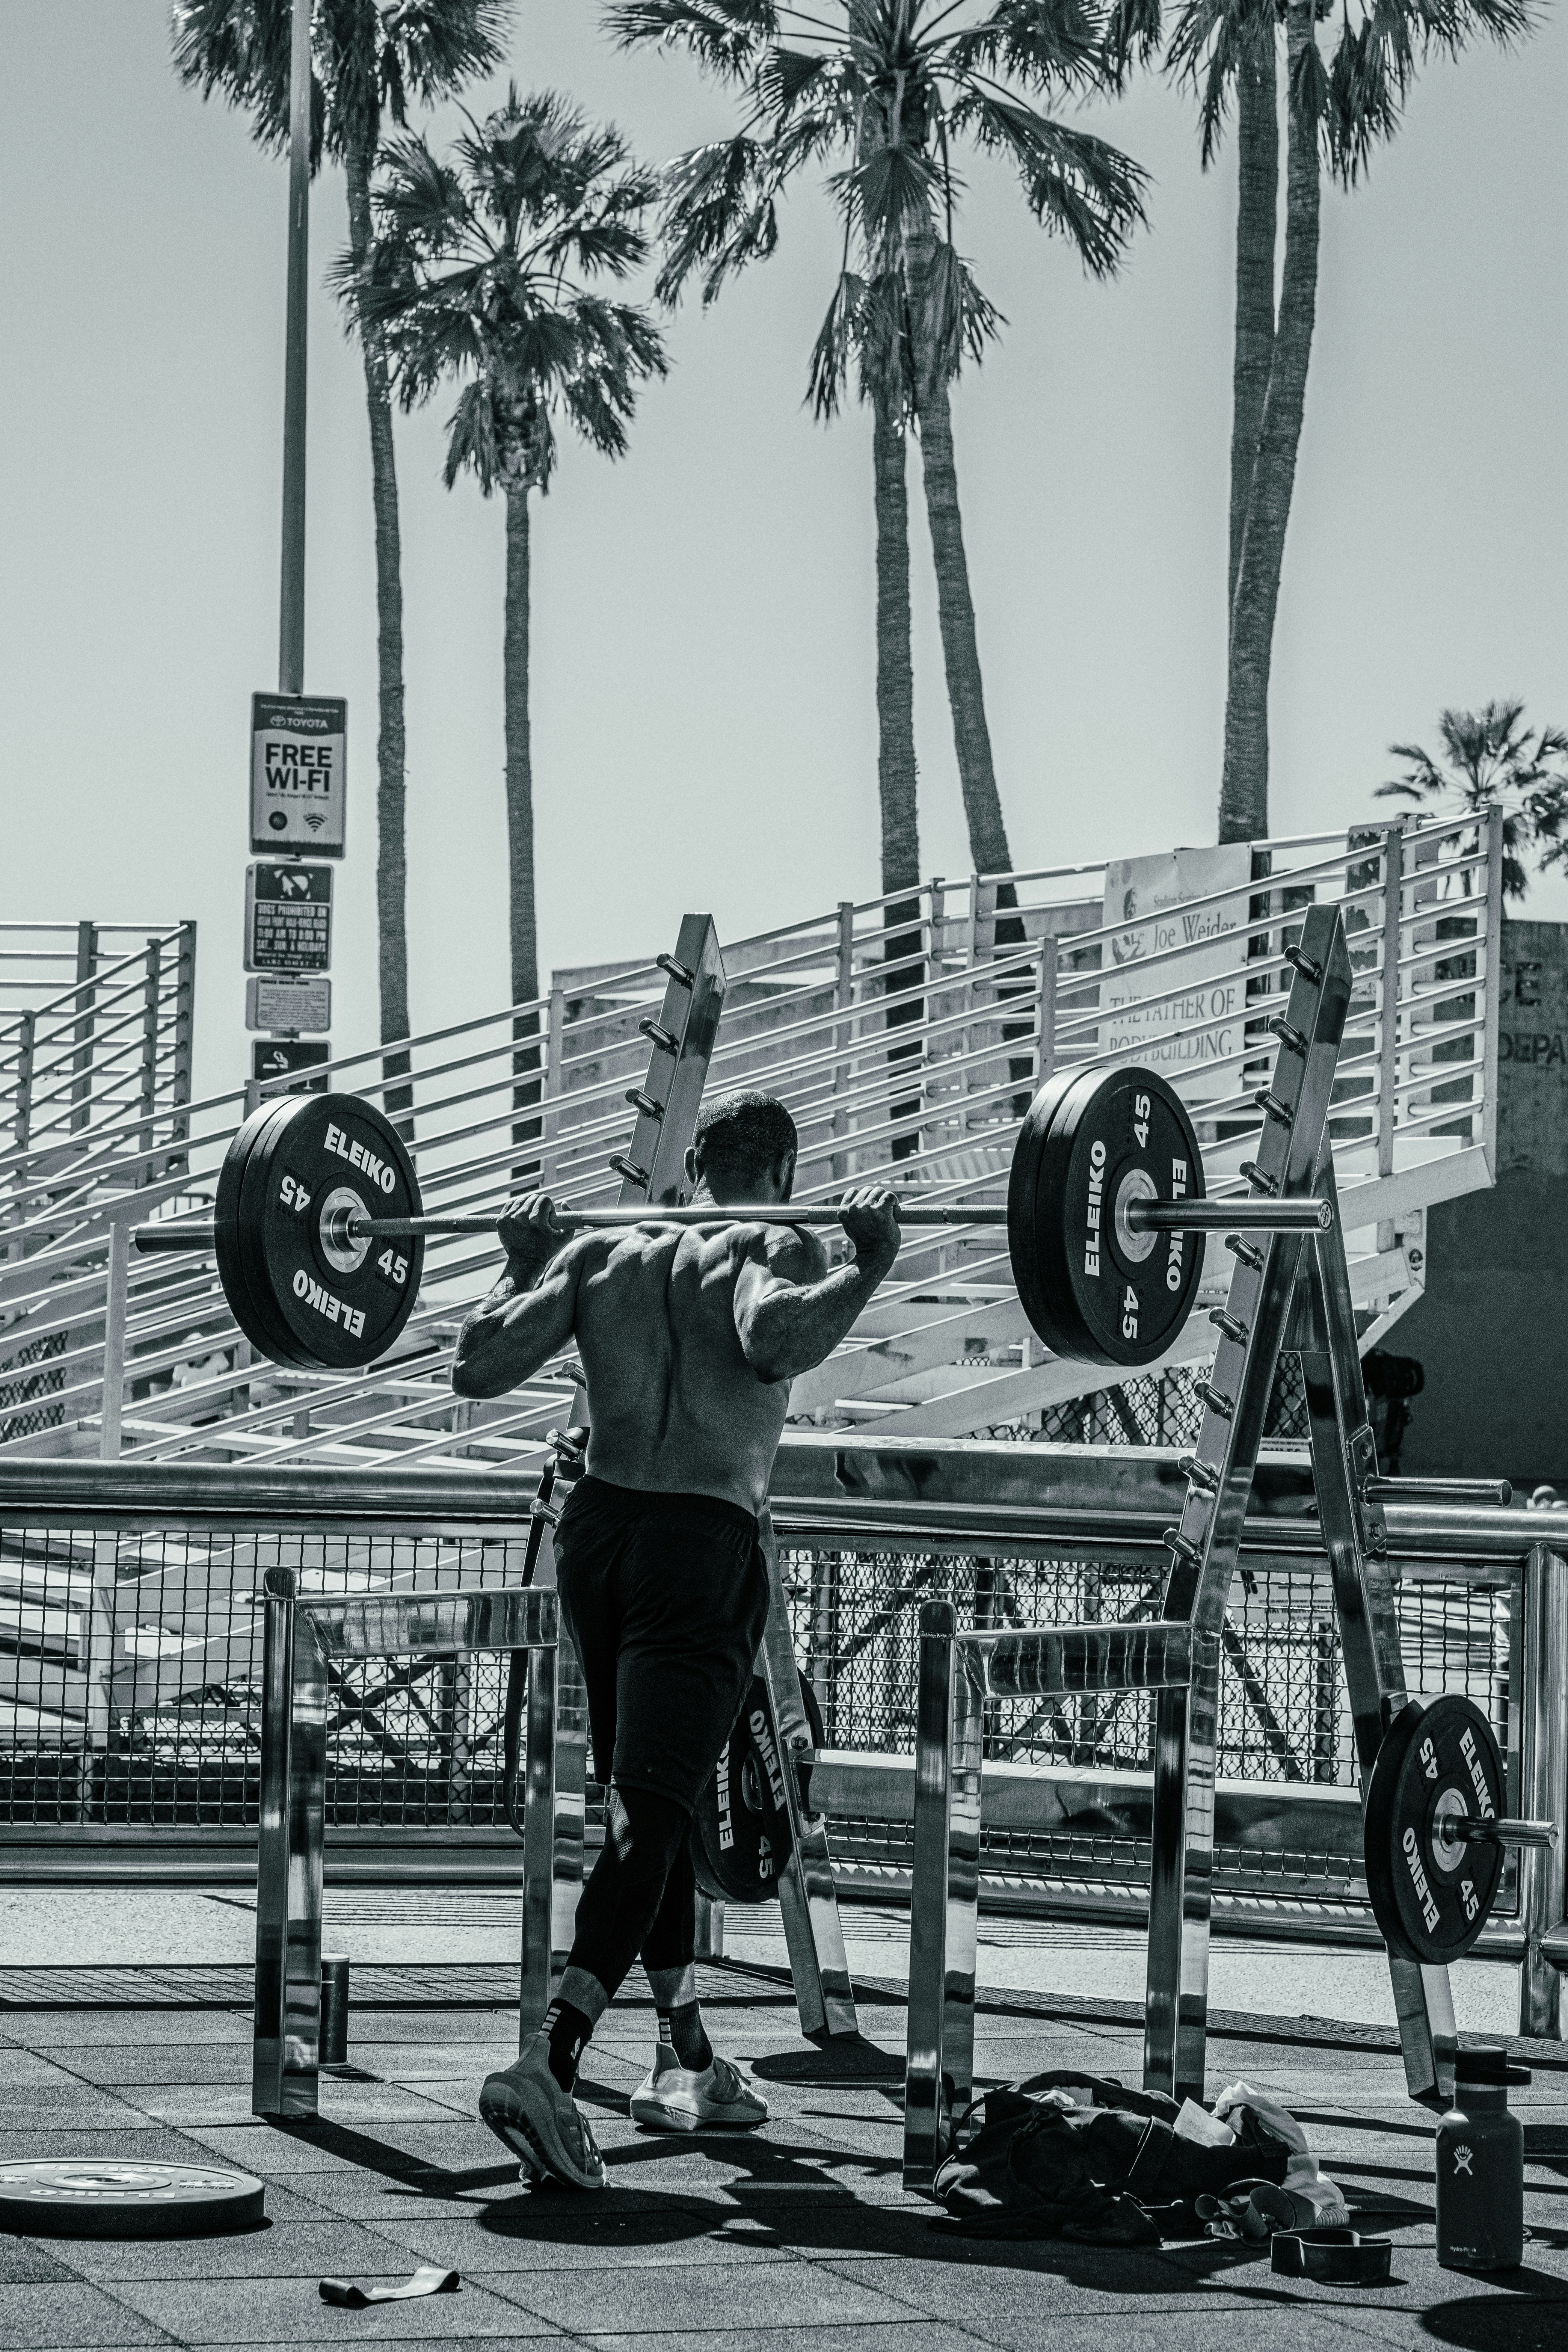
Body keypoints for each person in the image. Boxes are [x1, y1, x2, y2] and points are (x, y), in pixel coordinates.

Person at [451, 1089, 901, 2190]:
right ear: (785, 1166)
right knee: (654, 1816)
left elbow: (477, 1364)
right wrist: (867, 1264)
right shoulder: (774, 1238)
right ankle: (548, 2063)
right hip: (700, 1542)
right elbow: (771, 1337)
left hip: (598, 1536)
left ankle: (685, 2052)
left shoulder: (613, 1247)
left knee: (636, 1812)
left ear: (692, 1164)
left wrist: (520, 1262)